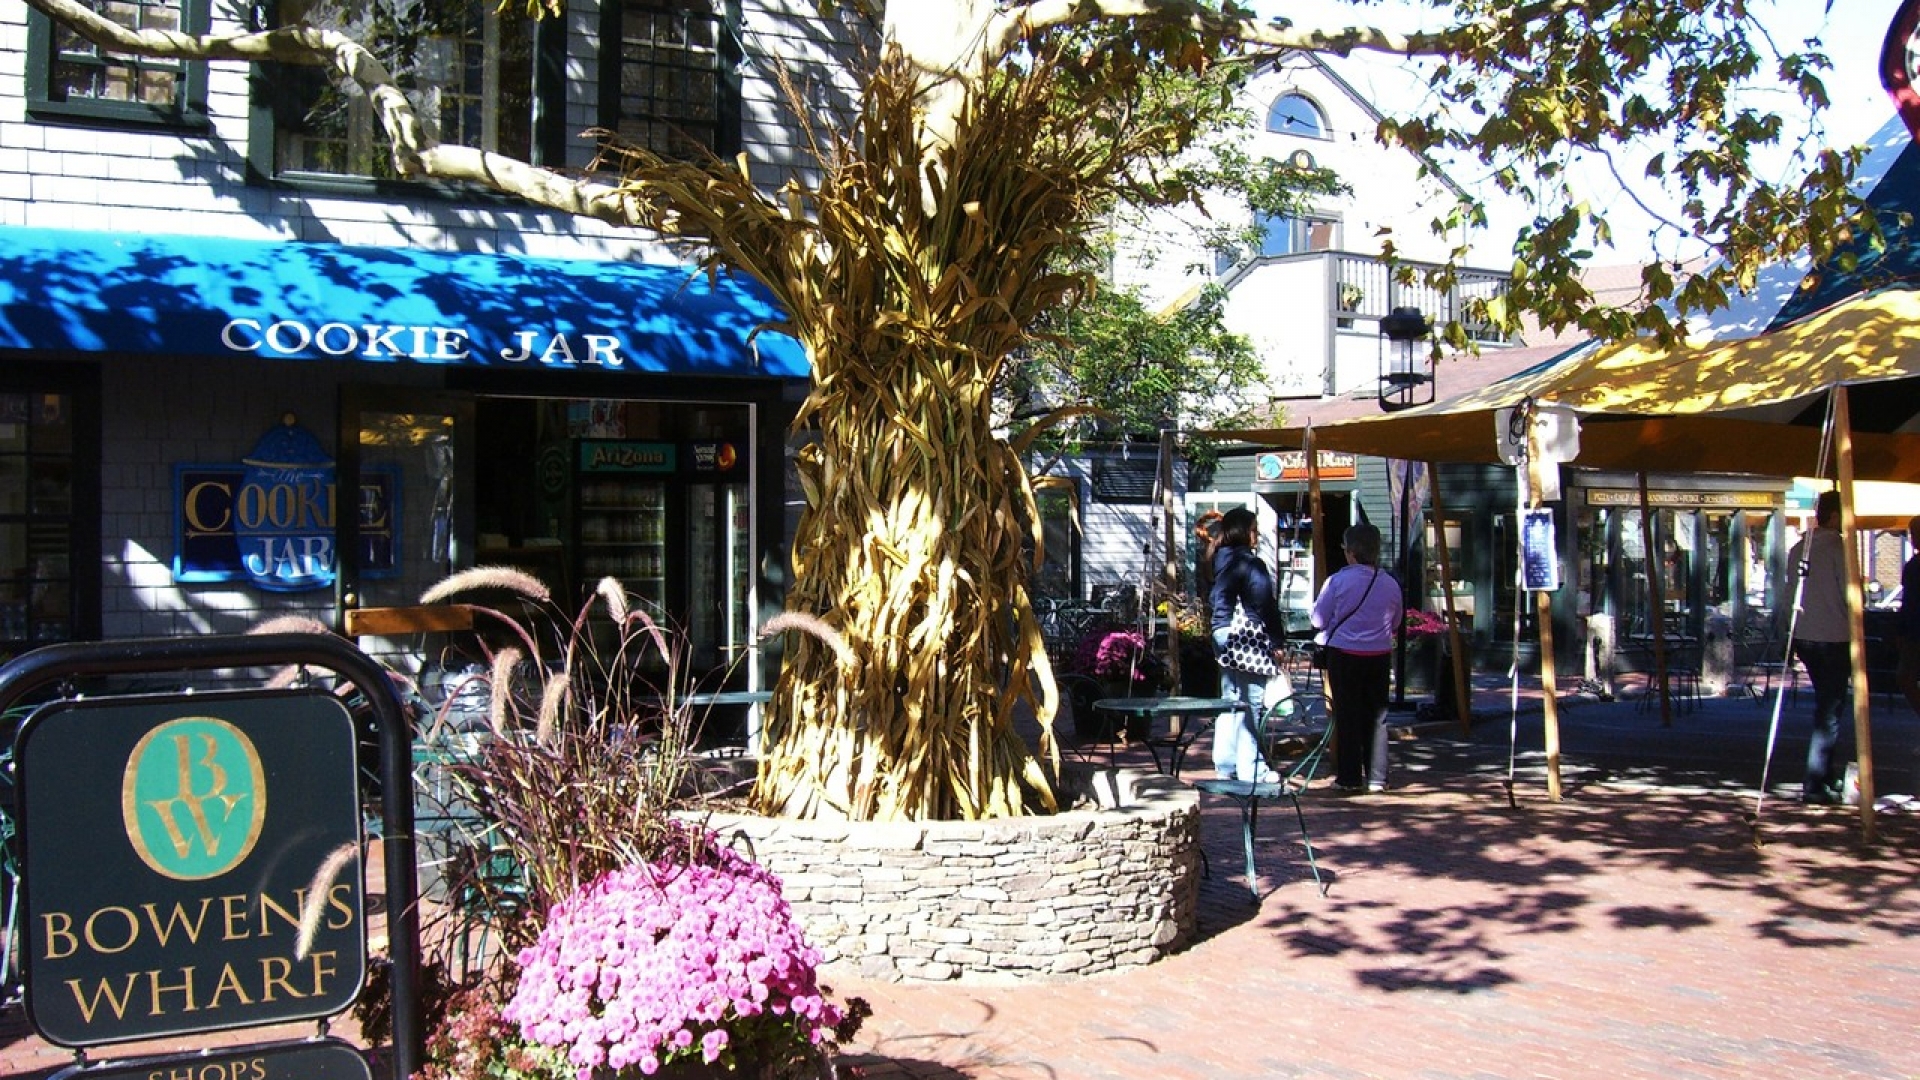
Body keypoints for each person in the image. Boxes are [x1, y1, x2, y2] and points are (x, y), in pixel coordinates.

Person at [1311, 523, 1403, 793]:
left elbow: (1318, 619)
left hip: (1344, 653)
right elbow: (1396, 621)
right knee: (1377, 716)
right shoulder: (1390, 583)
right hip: (1379, 654)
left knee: (1347, 714)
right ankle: (1377, 777)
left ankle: (1349, 777)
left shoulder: (1337, 581)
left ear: (1350, 551)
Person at [1208, 507, 1288, 783]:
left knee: (1230, 700)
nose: (1257, 535)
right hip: (1246, 635)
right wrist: (1277, 640)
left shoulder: (1220, 559)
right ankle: (1252, 768)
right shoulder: (1250, 564)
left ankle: (1225, 763)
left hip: (1221, 630)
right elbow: (1264, 603)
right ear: (1244, 532)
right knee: (1251, 703)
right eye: (1254, 530)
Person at [1786, 490, 1850, 804]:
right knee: (1830, 708)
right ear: (1835, 516)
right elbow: (1849, 594)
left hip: (1805, 634)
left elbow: (1788, 592)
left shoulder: (1799, 548)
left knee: (1827, 705)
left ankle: (1825, 773)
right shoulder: (1839, 548)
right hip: (1833, 634)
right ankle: (1815, 780)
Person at [1896, 514, 1920, 718]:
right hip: (1913, 631)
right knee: (1906, 678)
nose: (1913, 539)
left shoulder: (1913, 566)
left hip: (1914, 632)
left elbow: (1909, 602)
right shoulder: (1912, 565)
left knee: (1906, 677)